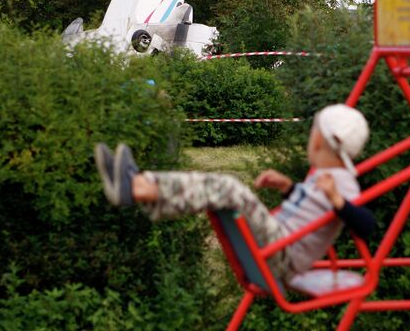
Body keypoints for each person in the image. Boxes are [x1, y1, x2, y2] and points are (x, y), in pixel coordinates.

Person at [94, 104, 376, 281]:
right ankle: (139, 186)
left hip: (283, 254)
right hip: (278, 242)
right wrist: (287, 187)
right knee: (220, 187)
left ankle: (137, 186)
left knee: (230, 188)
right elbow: (312, 211)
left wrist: (338, 200)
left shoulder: (344, 183)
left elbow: (367, 225)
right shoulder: (325, 176)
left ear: (321, 143)